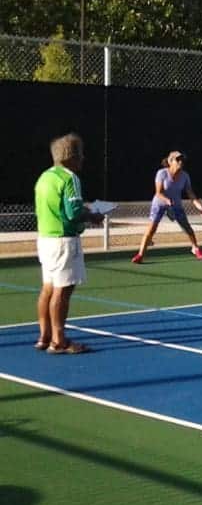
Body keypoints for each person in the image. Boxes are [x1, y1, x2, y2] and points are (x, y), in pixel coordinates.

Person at [34, 133, 106, 354]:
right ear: (71, 157)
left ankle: (44, 336)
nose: (82, 159)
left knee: (47, 288)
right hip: (64, 241)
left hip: (45, 238)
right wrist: (92, 215)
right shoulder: (70, 178)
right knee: (62, 291)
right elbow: (73, 212)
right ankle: (59, 341)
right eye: (80, 154)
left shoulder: (44, 177)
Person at [131, 150, 202, 264]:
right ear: (170, 161)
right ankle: (140, 255)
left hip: (176, 205)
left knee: (187, 228)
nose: (180, 162)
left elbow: (190, 194)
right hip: (160, 204)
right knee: (151, 229)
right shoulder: (162, 173)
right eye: (177, 159)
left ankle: (195, 248)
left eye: (181, 159)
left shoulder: (185, 176)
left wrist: (200, 206)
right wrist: (167, 201)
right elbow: (158, 192)